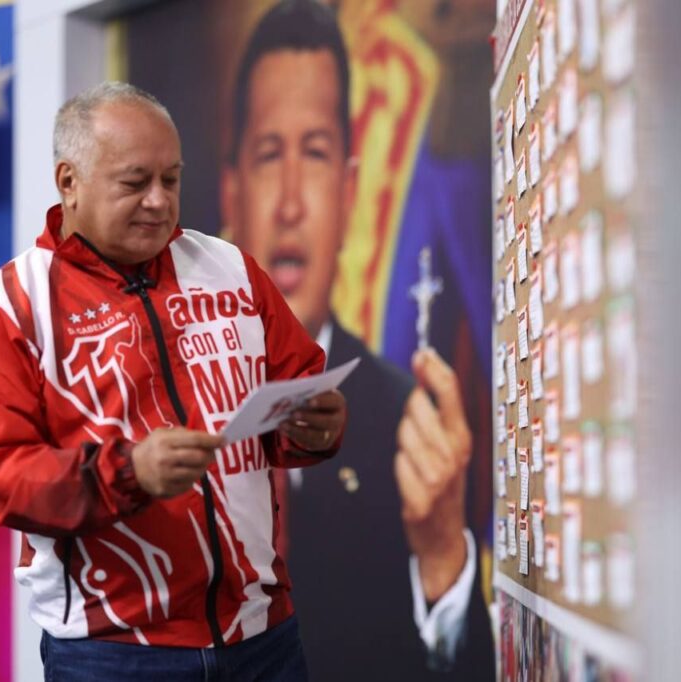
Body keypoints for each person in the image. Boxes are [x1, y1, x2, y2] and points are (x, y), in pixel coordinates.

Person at [0, 81, 347, 681]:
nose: (159, 201)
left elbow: (298, 390)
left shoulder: (231, 269)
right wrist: (130, 472)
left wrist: (318, 428)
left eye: (171, 180)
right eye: (135, 183)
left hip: (265, 637)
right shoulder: (4, 308)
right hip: (111, 653)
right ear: (68, 181)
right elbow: (0, 477)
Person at [220, 2, 492, 678]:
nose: (290, 203)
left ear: (348, 192)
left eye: (314, 154)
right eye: (268, 155)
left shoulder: (408, 428)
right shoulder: (168, 411)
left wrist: (442, 558)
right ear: (231, 196)